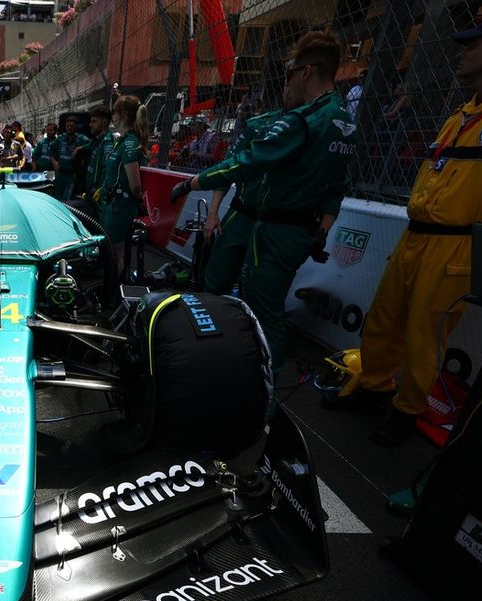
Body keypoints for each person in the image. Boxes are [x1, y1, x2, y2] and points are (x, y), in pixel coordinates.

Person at [322, 6, 482, 447]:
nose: (461, 53)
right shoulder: (461, 114)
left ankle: (406, 414)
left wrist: (473, 251)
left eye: (474, 44)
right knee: (384, 321)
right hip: (416, 236)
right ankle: (374, 389)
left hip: (456, 246)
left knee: (426, 338)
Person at [171, 30, 358, 380]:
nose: (287, 84)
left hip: (276, 230)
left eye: (290, 74)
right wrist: (322, 229)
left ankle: (260, 397)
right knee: (246, 297)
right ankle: (239, 370)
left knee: (265, 312)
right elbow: (337, 184)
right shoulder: (344, 121)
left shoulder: (304, 120)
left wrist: (192, 182)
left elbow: (245, 163)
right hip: (288, 227)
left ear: (305, 72)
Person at [200, 104, 283, 295]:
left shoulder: (308, 128)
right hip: (241, 214)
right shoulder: (259, 125)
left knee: (258, 292)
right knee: (216, 279)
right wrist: (212, 213)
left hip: (275, 223)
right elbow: (229, 166)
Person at [97, 95, 148, 266]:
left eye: (114, 112)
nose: (112, 116)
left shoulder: (129, 144)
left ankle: (115, 289)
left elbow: (135, 184)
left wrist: (136, 199)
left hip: (120, 207)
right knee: (108, 250)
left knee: (116, 252)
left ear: (123, 114)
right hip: (111, 205)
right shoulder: (123, 141)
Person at [52, 115, 90, 200]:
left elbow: (93, 144)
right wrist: (54, 162)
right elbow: (51, 150)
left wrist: (78, 148)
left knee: (67, 201)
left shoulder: (81, 138)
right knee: (56, 199)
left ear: (76, 127)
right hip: (60, 175)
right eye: (67, 126)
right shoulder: (60, 138)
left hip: (72, 176)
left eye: (72, 126)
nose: (69, 128)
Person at [85, 106, 113, 205]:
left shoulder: (107, 143)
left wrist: (100, 191)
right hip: (91, 193)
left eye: (94, 121)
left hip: (97, 197)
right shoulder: (97, 141)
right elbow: (87, 146)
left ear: (104, 123)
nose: (90, 125)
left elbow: (108, 171)